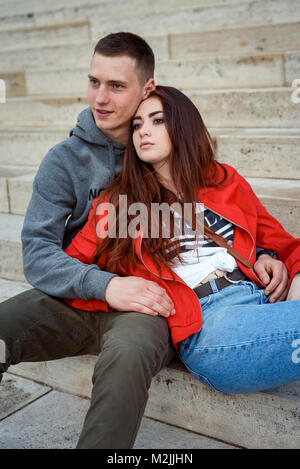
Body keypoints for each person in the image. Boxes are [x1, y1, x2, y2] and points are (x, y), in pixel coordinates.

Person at [63, 85, 300, 399]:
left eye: (157, 121)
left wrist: (271, 258)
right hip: (209, 325)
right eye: (136, 125)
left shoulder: (224, 180)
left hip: (259, 299)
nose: (143, 132)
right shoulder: (119, 204)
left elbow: (287, 245)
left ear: (182, 125)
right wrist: (111, 289)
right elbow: (67, 269)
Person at [0, 33, 178, 449]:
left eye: (116, 86)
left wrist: (263, 255)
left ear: (146, 88)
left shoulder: (166, 147)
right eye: (94, 81)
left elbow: (223, 215)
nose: (101, 97)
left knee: (127, 355)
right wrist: (107, 285)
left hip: (143, 308)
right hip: (75, 299)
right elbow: (39, 253)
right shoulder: (64, 160)